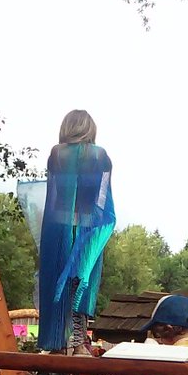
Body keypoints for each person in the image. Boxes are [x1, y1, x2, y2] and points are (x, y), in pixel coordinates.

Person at [20, 110, 115, 355]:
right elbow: (102, 198)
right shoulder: (100, 155)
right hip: (88, 226)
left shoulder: (56, 154)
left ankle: (58, 342)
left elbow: (54, 193)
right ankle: (79, 339)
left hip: (58, 227)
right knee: (82, 279)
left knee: (56, 281)